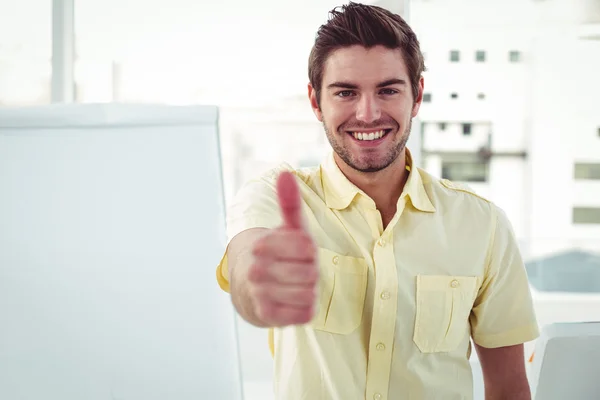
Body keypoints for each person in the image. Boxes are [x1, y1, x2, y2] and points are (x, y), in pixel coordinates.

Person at [215, 2, 539, 399]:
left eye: (388, 90)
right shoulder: (272, 198)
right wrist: (264, 280)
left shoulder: (483, 225)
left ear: (416, 95)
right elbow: (249, 276)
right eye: (346, 92)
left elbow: (508, 387)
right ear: (316, 102)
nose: (367, 114)